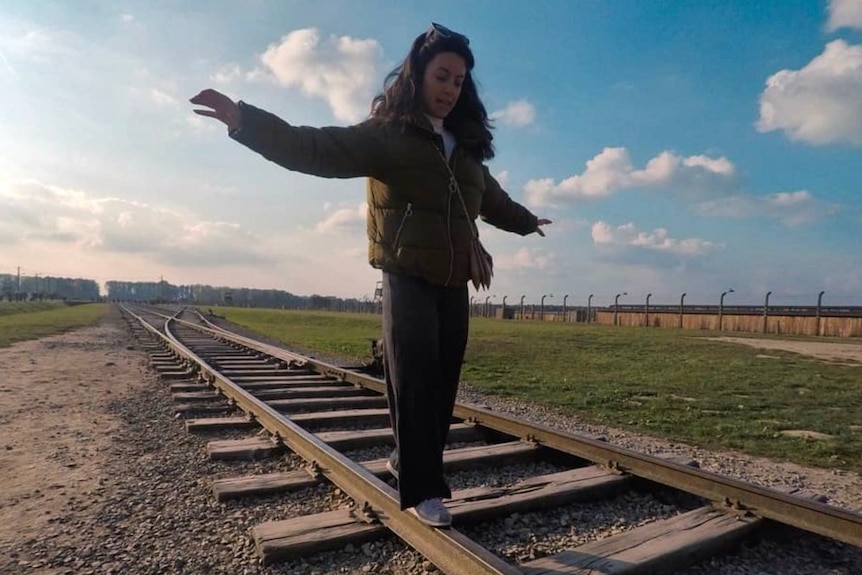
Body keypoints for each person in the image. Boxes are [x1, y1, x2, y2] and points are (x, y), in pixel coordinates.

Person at [190, 22, 551, 528]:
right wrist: (244, 121)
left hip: (454, 280)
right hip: (405, 274)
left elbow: (490, 199)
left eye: (459, 81)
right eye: (442, 76)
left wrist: (526, 222)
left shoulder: (464, 147)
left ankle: (408, 462)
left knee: (444, 383)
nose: (450, 89)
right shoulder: (388, 135)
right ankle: (424, 489)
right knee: (414, 379)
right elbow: (312, 148)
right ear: (418, 75)